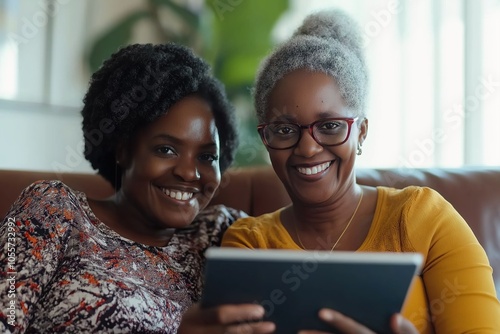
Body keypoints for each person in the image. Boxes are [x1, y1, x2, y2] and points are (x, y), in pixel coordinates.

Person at [221, 9, 500, 334]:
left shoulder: (424, 218)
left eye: (330, 126)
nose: (308, 148)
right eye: (284, 130)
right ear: (265, 140)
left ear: (361, 132)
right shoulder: (248, 245)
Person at [0, 43, 275, 333]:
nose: (189, 172)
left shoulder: (225, 232)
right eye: (166, 149)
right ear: (123, 149)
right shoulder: (53, 210)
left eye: (207, 157)